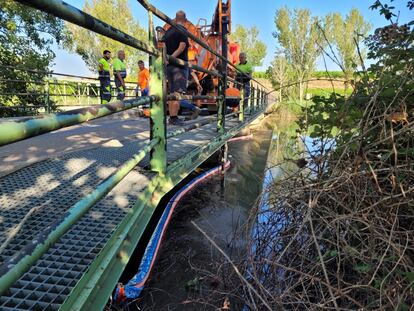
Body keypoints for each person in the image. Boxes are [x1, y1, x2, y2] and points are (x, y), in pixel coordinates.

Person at [164, 10, 199, 125]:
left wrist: (166, 59)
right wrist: (172, 58)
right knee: (177, 93)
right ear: (185, 20)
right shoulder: (183, 30)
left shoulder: (168, 31)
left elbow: (162, 46)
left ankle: (172, 118)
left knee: (171, 93)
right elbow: (182, 46)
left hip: (169, 67)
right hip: (179, 66)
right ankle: (174, 118)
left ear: (175, 18)